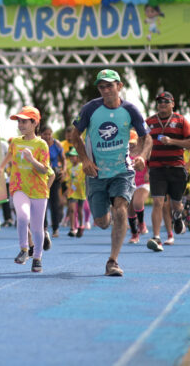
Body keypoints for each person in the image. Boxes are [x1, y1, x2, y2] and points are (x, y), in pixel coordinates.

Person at [71, 70, 150, 277]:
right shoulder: (90, 109)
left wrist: (141, 155)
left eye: (109, 85)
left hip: (122, 171)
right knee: (102, 222)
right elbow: (74, 135)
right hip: (96, 173)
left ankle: (113, 261)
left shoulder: (130, 110)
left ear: (119, 86)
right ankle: (114, 220)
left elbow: (146, 137)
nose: (106, 90)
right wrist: (85, 160)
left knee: (121, 209)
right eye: (102, 87)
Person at [0, 106, 53, 272]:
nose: (20, 124)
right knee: (22, 216)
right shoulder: (15, 141)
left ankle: (37, 257)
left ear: (34, 123)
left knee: (36, 227)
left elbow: (45, 169)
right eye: (19, 121)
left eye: (24, 121)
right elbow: (9, 156)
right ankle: (24, 249)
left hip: (39, 190)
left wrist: (31, 159)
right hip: (19, 186)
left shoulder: (41, 144)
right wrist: (1, 168)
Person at [145, 91, 190, 252]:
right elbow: (142, 142)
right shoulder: (149, 122)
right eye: (159, 101)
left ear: (173, 104)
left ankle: (178, 216)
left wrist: (172, 141)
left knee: (176, 204)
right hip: (157, 168)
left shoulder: (181, 120)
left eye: (166, 101)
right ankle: (156, 237)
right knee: (158, 202)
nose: (162, 104)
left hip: (176, 168)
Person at [41, 126, 65, 238]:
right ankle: (44, 227)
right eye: (45, 134)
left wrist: (64, 170)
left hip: (54, 176)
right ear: (41, 134)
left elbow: (63, 159)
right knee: (42, 202)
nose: (47, 136)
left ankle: (55, 228)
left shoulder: (57, 144)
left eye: (49, 134)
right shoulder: (38, 144)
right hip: (41, 177)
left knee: (54, 202)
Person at [128, 130, 150, 243]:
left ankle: (141, 223)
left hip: (142, 183)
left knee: (137, 203)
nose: (130, 145)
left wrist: (148, 172)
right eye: (128, 143)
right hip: (129, 184)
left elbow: (150, 162)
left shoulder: (143, 152)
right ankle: (134, 234)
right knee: (130, 210)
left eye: (132, 143)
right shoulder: (124, 153)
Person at [63, 148, 85, 237]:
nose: (71, 158)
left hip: (81, 191)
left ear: (77, 157)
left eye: (73, 156)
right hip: (72, 191)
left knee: (79, 210)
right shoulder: (69, 167)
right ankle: (72, 228)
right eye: (70, 156)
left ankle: (81, 225)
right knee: (72, 209)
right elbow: (67, 178)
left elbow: (85, 178)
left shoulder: (82, 166)